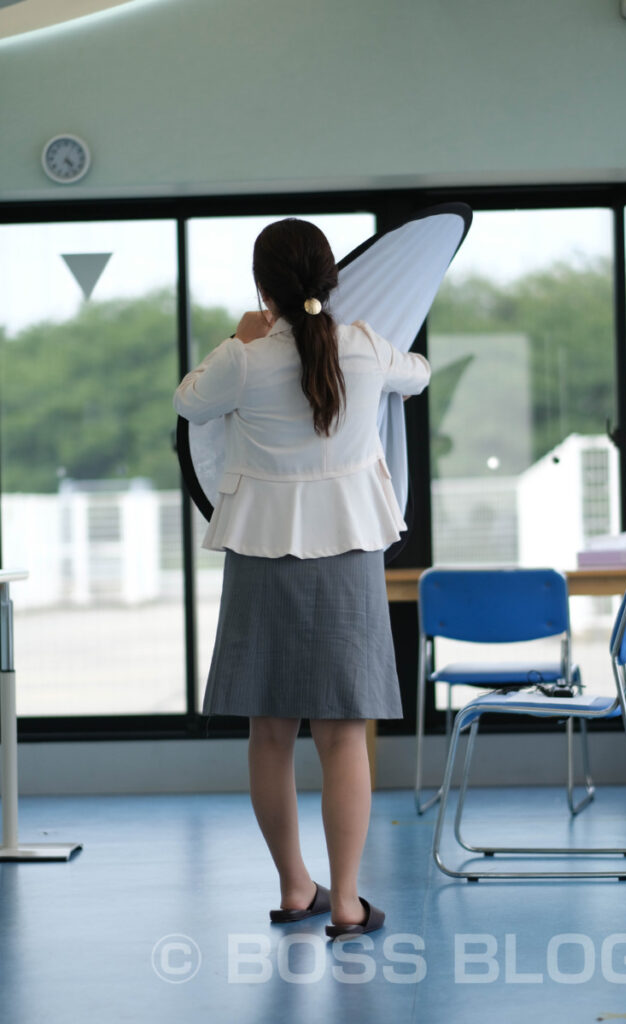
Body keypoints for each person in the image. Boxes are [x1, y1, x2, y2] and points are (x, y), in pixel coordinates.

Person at [173, 218, 430, 938]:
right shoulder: (365, 349)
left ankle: (295, 888)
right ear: (332, 280)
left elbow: (188, 403)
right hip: (349, 551)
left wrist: (241, 335)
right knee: (344, 736)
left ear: (264, 288)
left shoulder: (242, 356)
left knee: (270, 734)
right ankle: (346, 902)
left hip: (262, 552)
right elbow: (419, 374)